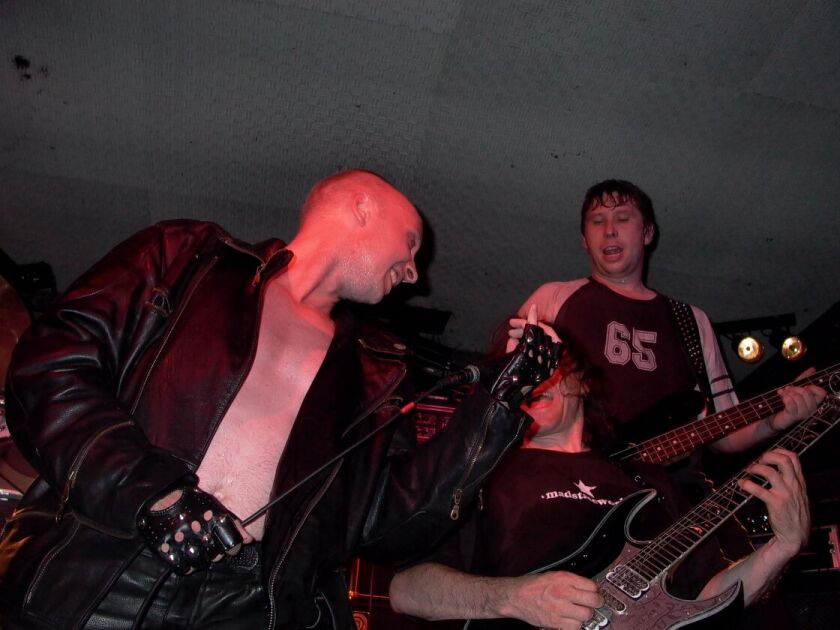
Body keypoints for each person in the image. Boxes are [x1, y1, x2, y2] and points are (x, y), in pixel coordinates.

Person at [0, 170, 558, 630]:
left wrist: (500, 400)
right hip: (103, 564)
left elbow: (389, 523)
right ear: (362, 205)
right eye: (411, 242)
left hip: (249, 603)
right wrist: (154, 495)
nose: (414, 272)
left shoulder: (376, 373)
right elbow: (49, 369)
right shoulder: (188, 257)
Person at [389, 340, 815, 629]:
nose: (536, 378)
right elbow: (406, 590)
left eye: (550, 364)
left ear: (583, 382)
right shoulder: (484, 474)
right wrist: (513, 597)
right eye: (522, 370)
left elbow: (708, 597)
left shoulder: (649, 481)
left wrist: (783, 546)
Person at [517, 180, 825, 486]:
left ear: (648, 233)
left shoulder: (691, 320)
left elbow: (722, 431)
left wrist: (773, 421)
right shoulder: (552, 299)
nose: (609, 230)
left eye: (622, 218)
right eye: (597, 221)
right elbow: (504, 401)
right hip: (566, 484)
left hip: (660, 496)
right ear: (585, 239)